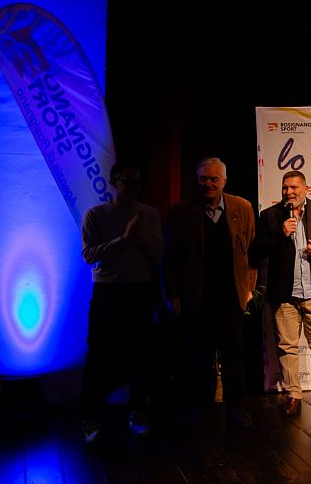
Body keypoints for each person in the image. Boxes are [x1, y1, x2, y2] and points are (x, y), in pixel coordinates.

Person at [163, 158, 257, 428]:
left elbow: (251, 251)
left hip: (232, 296)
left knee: (234, 354)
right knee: (199, 355)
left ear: (224, 181)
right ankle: (201, 405)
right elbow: (169, 258)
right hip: (197, 297)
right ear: (197, 180)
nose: (209, 184)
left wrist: (249, 288)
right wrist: (172, 295)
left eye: (214, 179)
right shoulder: (181, 211)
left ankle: (236, 406)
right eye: (204, 178)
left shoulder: (242, 207)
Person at [249, 170, 311, 417]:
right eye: (285, 188)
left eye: (293, 187)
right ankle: (293, 394)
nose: (288, 192)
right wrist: (280, 234)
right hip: (285, 295)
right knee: (287, 347)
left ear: (305, 189)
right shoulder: (270, 215)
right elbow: (257, 250)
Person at [80, 164, 163, 443]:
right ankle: (91, 416)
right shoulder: (96, 215)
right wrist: (123, 239)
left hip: (140, 289)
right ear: (114, 182)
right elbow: (89, 255)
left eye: (138, 182)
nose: (133, 187)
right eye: (128, 181)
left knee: (142, 353)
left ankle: (138, 411)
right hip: (108, 291)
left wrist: (139, 239)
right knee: (99, 354)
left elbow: (158, 253)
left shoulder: (149, 214)